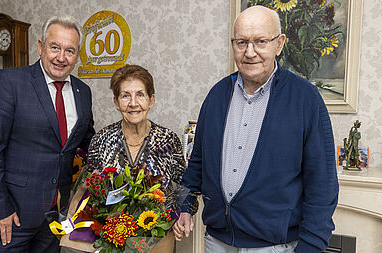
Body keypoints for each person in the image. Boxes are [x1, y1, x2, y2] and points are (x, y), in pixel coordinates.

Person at [174, 6, 338, 253]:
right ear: (233, 44)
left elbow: (322, 184)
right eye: (242, 42)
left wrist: (311, 246)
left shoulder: (306, 98)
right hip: (217, 241)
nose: (250, 52)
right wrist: (185, 206)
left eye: (260, 41)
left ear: (279, 44)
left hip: (275, 246)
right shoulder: (216, 96)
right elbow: (197, 162)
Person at [0, 15, 95, 252]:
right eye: (55, 47)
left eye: (70, 50)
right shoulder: (9, 83)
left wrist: (127, 145)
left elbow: (88, 140)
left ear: (77, 56)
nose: (61, 57)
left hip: (55, 217)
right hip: (11, 217)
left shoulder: (83, 92)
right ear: (40, 47)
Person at [64, 64, 186, 253]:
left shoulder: (167, 140)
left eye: (140, 95)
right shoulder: (102, 140)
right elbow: (89, 188)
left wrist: (183, 213)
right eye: (125, 95)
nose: (133, 103)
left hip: (156, 240)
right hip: (111, 240)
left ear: (151, 99)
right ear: (116, 101)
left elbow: (184, 185)